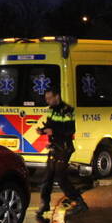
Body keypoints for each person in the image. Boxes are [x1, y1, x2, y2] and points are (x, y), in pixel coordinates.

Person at [35, 88, 87, 216]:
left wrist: (54, 132)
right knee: (48, 177)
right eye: (46, 99)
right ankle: (44, 204)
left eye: (49, 98)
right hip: (54, 147)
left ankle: (79, 202)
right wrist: (42, 131)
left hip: (64, 148)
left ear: (57, 96)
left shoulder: (68, 110)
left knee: (60, 176)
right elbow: (50, 125)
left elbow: (69, 130)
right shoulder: (51, 110)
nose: (47, 101)